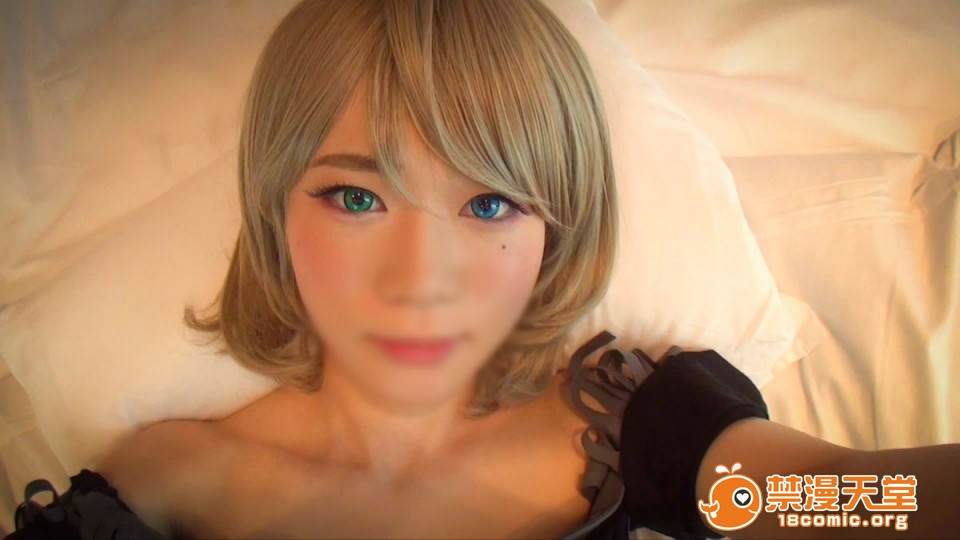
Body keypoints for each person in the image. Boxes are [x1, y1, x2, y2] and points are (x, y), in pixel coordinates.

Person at [8, 1, 959, 539]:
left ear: (556, 234)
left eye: (490, 204)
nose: (421, 279)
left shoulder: (634, 429)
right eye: (356, 198)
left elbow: (848, 498)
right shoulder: (164, 490)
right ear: (273, 210)